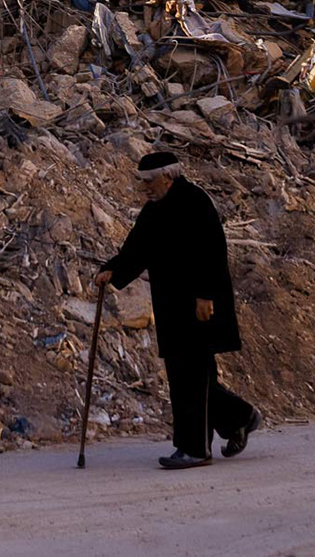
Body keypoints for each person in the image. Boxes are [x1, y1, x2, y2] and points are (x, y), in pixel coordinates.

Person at [96, 150, 260, 469]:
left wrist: (205, 295)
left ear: (168, 177)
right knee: (191, 375)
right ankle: (241, 417)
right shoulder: (155, 210)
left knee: (191, 377)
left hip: (200, 306)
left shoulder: (194, 202)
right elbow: (136, 248)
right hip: (173, 306)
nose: (144, 187)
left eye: (149, 181)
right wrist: (113, 270)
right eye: (141, 181)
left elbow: (212, 250)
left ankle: (195, 448)